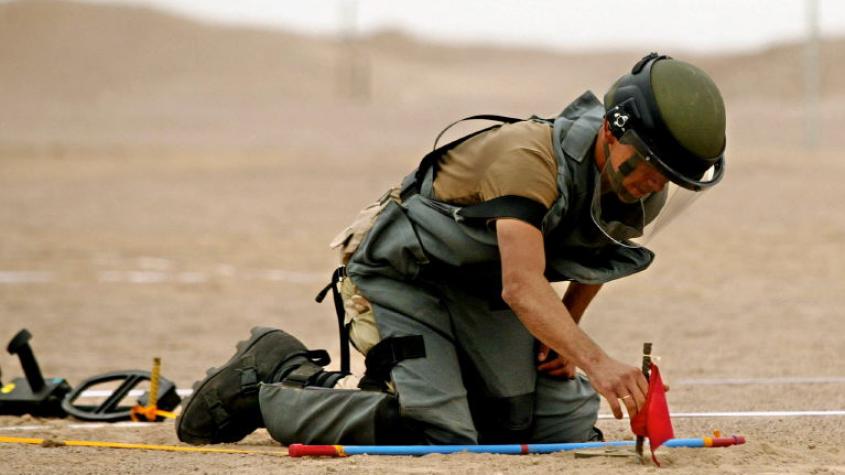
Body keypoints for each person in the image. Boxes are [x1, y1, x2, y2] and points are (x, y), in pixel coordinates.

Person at [176, 52, 726, 446]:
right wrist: (597, 360)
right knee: (439, 430)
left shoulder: (638, 187)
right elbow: (522, 286)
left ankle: (435, 380)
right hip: (403, 274)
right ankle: (276, 383)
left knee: (556, 426)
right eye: (651, 165)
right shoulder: (530, 160)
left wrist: (568, 337)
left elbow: (603, 251)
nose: (655, 185)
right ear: (613, 128)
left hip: (482, 283)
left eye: (671, 177)